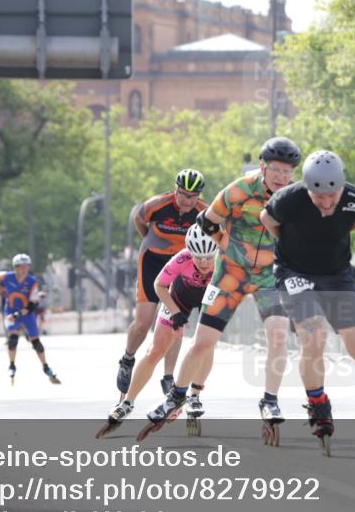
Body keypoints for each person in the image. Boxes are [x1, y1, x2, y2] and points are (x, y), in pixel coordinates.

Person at [144, 138, 301, 439]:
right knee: (203, 342)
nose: (282, 178)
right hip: (231, 274)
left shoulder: (295, 196)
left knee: (279, 337)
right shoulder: (240, 189)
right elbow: (207, 220)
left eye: (288, 172)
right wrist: (227, 246)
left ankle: (269, 401)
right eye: (277, 170)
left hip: (269, 275)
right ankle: (176, 396)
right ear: (262, 167)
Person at [259, 150, 355, 455]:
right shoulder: (288, 199)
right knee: (315, 336)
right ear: (308, 189)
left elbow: (351, 224)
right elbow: (267, 220)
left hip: (337, 275)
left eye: (333, 196)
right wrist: (294, 246)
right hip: (295, 273)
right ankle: (317, 406)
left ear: (342, 186)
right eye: (319, 197)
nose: (327, 203)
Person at [96, 225, 219, 438]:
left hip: (211, 296)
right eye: (199, 258)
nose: (205, 263)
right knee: (155, 350)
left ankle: (195, 395)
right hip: (179, 296)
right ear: (190, 252)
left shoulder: (224, 264)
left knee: (205, 345)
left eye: (209, 257)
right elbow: (159, 285)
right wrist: (174, 311)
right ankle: (127, 403)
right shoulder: (182, 259)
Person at [117, 169, 207, 396]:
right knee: (143, 322)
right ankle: (128, 358)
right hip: (152, 260)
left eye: (193, 196)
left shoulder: (203, 212)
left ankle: (168, 376)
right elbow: (139, 220)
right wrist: (149, 239)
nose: (188, 201)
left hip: (180, 265)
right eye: (183, 195)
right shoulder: (156, 204)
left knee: (175, 321)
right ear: (175, 190)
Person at [0, 253, 60, 385]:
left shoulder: (32, 281)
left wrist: (17, 315)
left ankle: (45, 366)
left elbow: (32, 305)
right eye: (21, 267)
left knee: (36, 342)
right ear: (15, 268)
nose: (24, 270)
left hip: (26, 313)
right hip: (10, 310)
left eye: (26, 267)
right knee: (13, 339)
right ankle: (12, 365)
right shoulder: (7, 276)